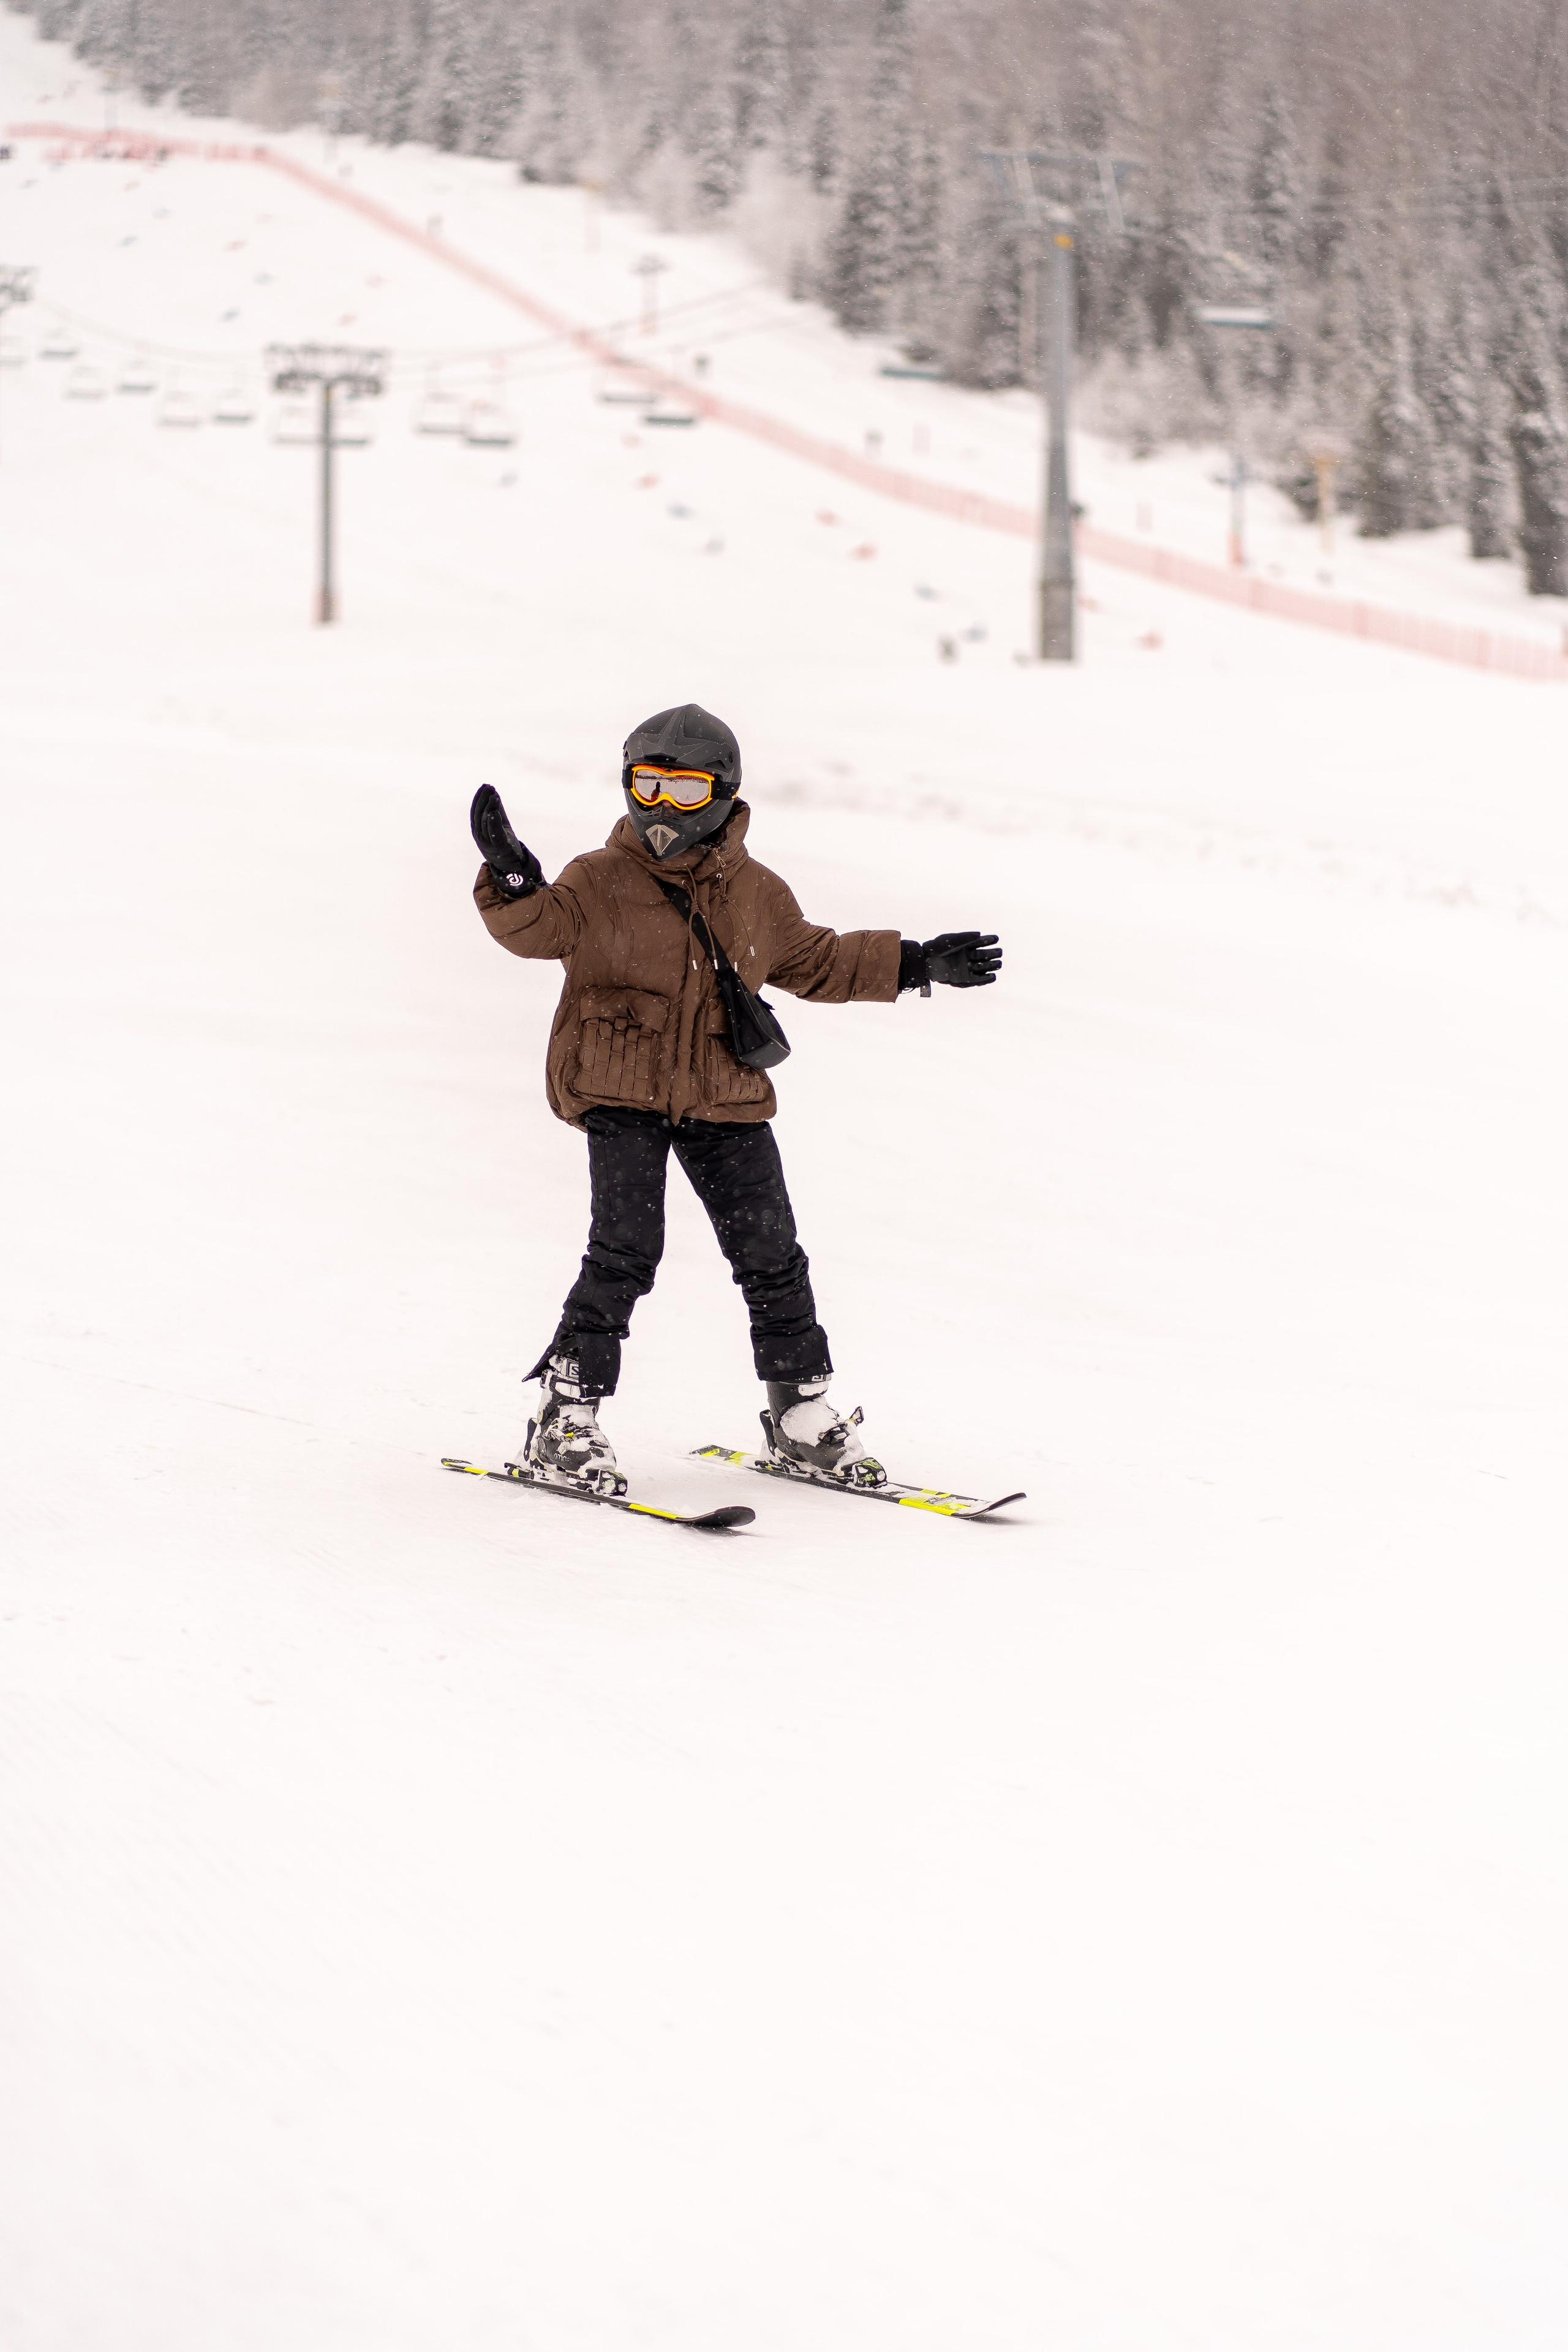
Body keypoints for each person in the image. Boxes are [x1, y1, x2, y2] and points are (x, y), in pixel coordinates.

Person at [471, 703, 1002, 1496]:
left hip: (725, 1093)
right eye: (647, 786)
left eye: (684, 790)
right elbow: (536, 929)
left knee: (771, 1254)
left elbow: (818, 962)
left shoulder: (756, 893)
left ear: (724, 794)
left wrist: (917, 962)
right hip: (620, 1088)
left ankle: (799, 1413)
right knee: (625, 1249)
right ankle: (565, 1415)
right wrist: (514, 878)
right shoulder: (597, 878)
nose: (662, 807)